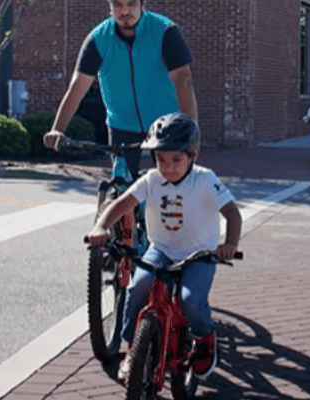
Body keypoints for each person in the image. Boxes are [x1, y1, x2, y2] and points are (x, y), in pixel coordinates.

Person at [85, 113, 241, 380]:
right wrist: (100, 226)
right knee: (138, 288)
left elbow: (233, 215)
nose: (168, 167)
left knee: (190, 300)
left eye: (176, 160)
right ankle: (133, 348)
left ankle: (205, 338)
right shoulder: (151, 180)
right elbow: (121, 203)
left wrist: (229, 244)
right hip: (161, 250)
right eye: (161, 159)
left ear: (194, 154)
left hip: (198, 254)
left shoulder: (205, 179)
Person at [41, 0, 198, 170]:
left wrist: (190, 132)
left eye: (131, 4)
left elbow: (184, 83)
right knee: (119, 187)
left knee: (167, 188)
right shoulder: (99, 39)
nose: (125, 11)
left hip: (165, 126)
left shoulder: (164, 31)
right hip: (122, 128)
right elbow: (77, 88)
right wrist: (57, 130)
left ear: (141, 5)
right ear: (110, 7)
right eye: (118, 5)